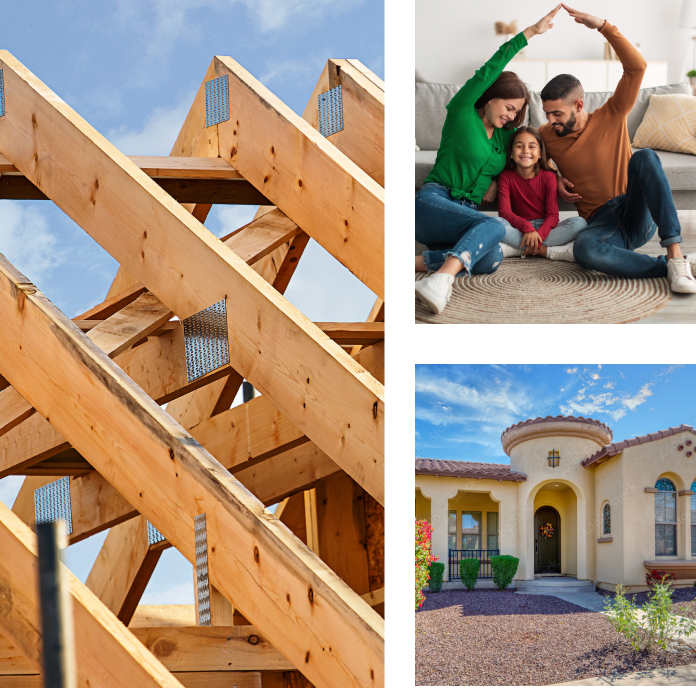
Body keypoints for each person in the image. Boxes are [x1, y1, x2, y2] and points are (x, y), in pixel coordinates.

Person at [415, 5, 563, 315]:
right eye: (509, 107)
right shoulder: (462, 112)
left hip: (466, 216)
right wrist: (531, 33)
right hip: (435, 201)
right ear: (490, 96)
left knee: (492, 257)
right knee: (494, 226)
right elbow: (489, 69)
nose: (511, 116)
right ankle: (441, 279)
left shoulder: (504, 138)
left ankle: (417, 265)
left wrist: (552, 174)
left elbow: (530, 152)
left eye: (516, 112)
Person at [538, 4, 696, 293]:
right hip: (601, 222)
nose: (550, 121)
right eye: (547, 113)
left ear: (578, 105)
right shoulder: (546, 135)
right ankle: (671, 265)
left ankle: (674, 253)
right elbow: (530, 163)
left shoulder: (613, 112)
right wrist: (553, 178)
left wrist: (603, 26)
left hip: (634, 208)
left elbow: (637, 67)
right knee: (585, 250)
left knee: (645, 157)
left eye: (556, 114)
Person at [496, 126, 587, 261]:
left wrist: (539, 234)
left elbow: (553, 215)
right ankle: (547, 250)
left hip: (546, 228)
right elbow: (504, 212)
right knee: (494, 224)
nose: (526, 150)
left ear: (540, 154)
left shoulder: (549, 176)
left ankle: (517, 249)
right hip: (519, 228)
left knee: (580, 223)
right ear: (511, 153)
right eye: (519, 146)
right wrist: (527, 228)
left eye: (532, 146)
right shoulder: (505, 177)